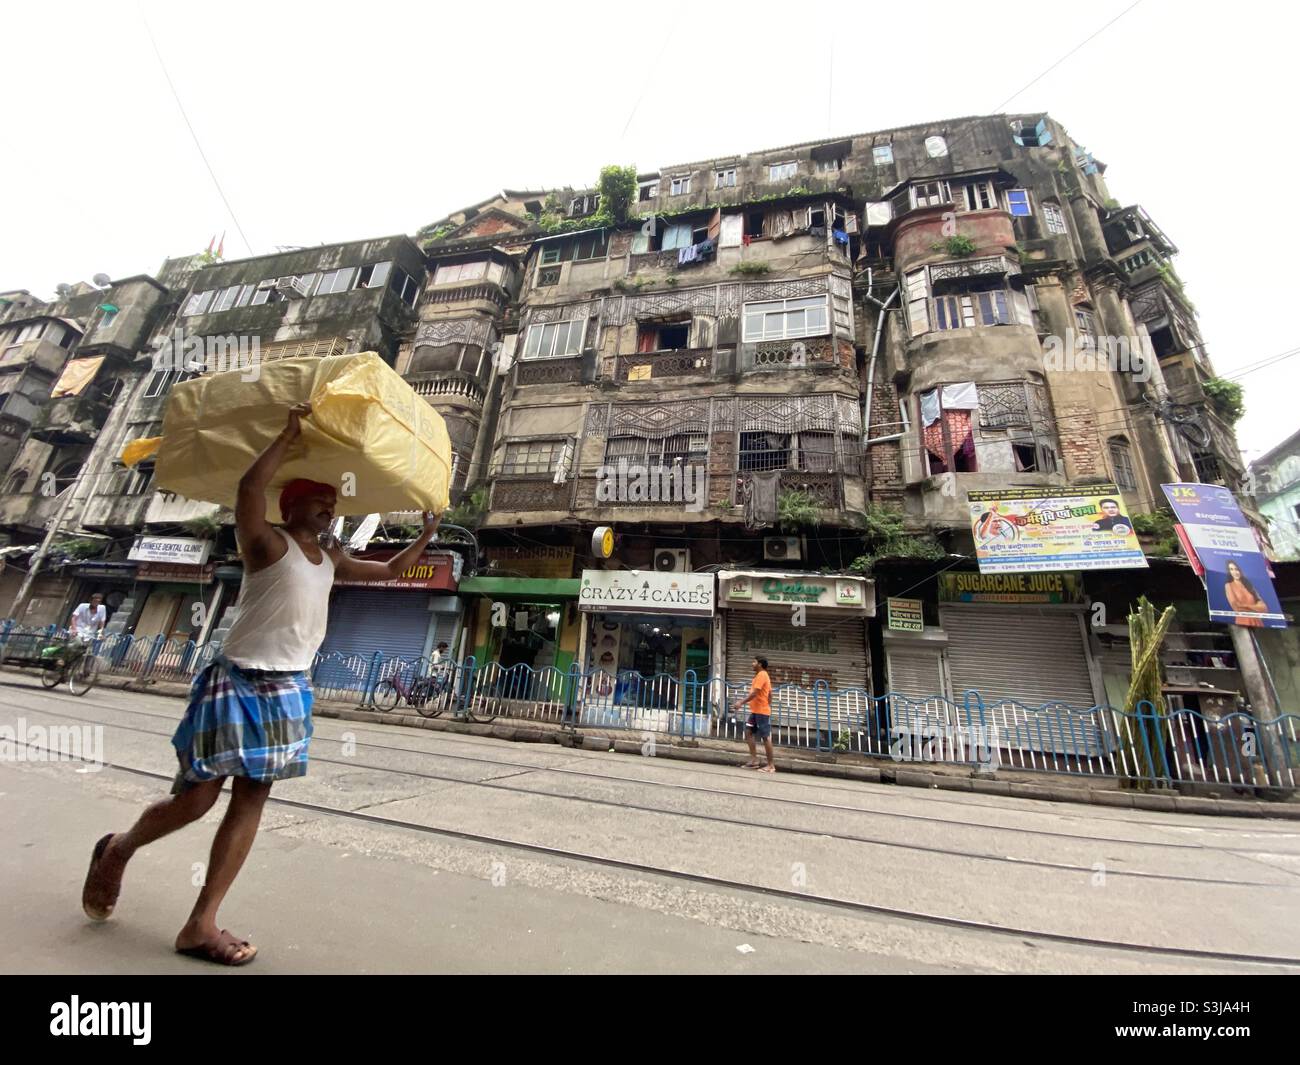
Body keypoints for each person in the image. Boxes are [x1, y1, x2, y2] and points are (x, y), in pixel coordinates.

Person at [81, 403, 442, 966]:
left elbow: (390, 572)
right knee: (197, 800)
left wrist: (427, 534)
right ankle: (117, 851)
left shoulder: (331, 557)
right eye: (320, 503)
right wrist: (287, 435)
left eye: (332, 506)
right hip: (237, 682)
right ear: (292, 504)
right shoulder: (265, 543)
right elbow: (250, 488)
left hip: (290, 687)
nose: (328, 512)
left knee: (253, 798)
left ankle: (201, 924)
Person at [734, 655, 775, 774]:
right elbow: (770, 694)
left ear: (760, 664)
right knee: (749, 732)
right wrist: (767, 704)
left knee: (765, 737)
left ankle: (771, 766)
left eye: (754, 662)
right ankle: (754, 761)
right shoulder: (760, 676)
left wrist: (741, 702)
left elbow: (755, 693)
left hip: (761, 712)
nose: (752, 664)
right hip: (756, 711)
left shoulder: (762, 675)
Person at [1223, 560, 1269, 627]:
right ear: (1229, 572)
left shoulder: (1249, 585)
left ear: (1240, 571)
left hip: (1258, 623)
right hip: (1243, 623)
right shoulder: (1228, 586)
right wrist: (1255, 608)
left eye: (1237, 569)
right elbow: (1236, 607)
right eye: (1231, 569)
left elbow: (1264, 608)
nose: (1235, 572)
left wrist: (1246, 606)